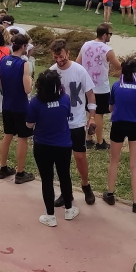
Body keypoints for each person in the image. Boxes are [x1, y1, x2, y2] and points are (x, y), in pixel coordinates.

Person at [25, 69, 78, 227]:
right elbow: (67, 115)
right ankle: (69, 209)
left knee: (47, 180)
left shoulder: (35, 102)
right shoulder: (65, 99)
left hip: (42, 146)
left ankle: (50, 216)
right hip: (63, 145)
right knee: (64, 176)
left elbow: (29, 124)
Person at [50, 39, 97, 206]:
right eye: (56, 57)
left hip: (77, 122)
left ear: (67, 53)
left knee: (79, 156)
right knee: (61, 160)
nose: (59, 60)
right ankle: (65, 192)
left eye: (61, 57)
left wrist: (91, 116)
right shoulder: (52, 73)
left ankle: (85, 185)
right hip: (59, 124)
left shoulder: (79, 70)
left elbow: (91, 94)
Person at [104, 57, 136, 213]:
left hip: (118, 125)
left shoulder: (117, 86)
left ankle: (110, 193)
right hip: (135, 126)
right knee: (134, 164)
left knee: (114, 161)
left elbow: (111, 108)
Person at [0, 33, 35, 184]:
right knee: (22, 138)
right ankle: (20, 172)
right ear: (24, 46)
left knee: (7, 135)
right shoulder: (24, 64)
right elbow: (27, 89)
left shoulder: (3, 60)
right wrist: (31, 80)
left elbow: (0, 84)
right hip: (21, 106)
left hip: (7, 105)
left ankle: (3, 167)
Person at [77, 23, 121, 151]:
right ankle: (100, 141)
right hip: (100, 87)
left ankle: (88, 139)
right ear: (104, 35)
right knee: (99, 115)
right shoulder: (107, 50)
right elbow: (119, 66)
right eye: (110, 34)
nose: (110, 37)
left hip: (86, 86)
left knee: (89, 112)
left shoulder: (86, 45)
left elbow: (78, 62)